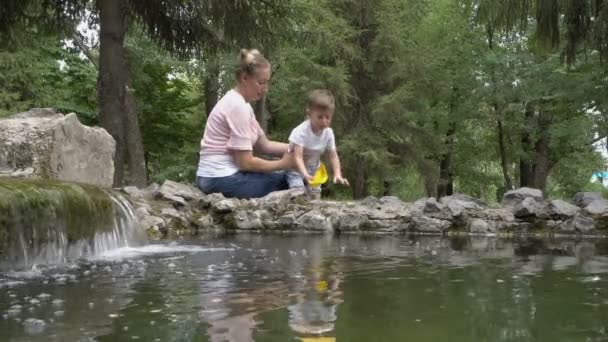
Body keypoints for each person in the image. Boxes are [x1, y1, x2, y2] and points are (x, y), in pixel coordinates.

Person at [196, 49, 293, 199]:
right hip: (219, 179)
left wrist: (300, 149)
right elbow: (245, 163)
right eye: (261, 83)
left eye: (267, 83)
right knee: (293, 179)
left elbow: (264, 145)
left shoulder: (243, 105)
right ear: (244, 78)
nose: (265, 89)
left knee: (288, 173)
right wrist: (284, 164)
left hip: (219, 176)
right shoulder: (237, 106)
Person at [286, 89, 349, 195]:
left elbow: (333, 156)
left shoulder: (328, 133)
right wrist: (304, 174)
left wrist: (337, 174)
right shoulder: (301, 132)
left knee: (315, 197)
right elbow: (298, 157)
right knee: (298, 194)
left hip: (314, 168)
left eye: (327, 117)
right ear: (310, 114)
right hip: (296, 169)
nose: (324, 121)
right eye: (320, 117)